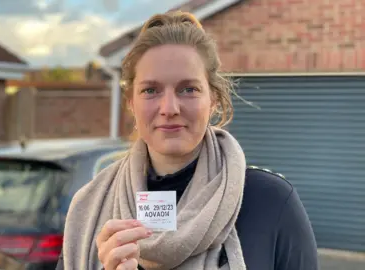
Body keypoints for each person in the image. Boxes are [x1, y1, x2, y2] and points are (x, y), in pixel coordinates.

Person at [55, 11, 318, 270]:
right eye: (150, 90)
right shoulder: (88, 208)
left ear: (213, 99)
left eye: (188, 89)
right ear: (131, 103)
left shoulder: (270, 202)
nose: (169, 107)